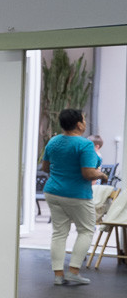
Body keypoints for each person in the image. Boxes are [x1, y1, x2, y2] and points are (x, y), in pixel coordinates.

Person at [42, 108, 102, 287]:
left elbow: (45, 167)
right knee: (86, 230)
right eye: (83, 120)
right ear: (79, 124)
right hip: (77, 195)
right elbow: (88, 173)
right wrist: (102, 175)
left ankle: (58, 275)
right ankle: (74, 272)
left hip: (53, 192)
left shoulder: (53, 141)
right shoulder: (85, 145)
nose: (85, 123)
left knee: (59, 233)